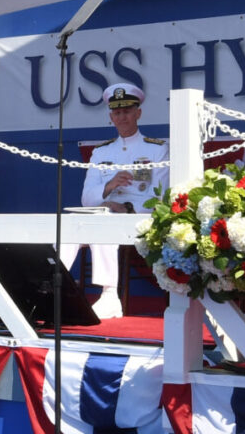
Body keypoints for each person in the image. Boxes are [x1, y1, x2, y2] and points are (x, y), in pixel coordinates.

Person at [61, 83, 168, 321]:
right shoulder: (101, 153)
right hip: (106, 213)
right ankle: (56, 286)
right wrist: (109, 187)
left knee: (103, 222)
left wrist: (127, 208)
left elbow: (161, 196)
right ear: (111, 116)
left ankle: (110, 296)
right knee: (70, 224)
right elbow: (87, 197)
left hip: (140, 218)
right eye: (117, 113)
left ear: (138, 113)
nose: (123, 117)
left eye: (127, 111)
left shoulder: (157, 149)